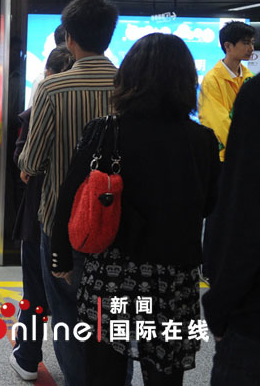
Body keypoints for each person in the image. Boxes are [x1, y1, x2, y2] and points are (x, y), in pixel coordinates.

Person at [51, 33, 220, 385]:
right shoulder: (202, 140)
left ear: (127, 79)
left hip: (112, 273)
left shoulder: (104, 131)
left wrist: (61, 258)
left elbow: (69, 197)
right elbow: (209, 205)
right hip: (173, 279)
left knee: (104, 371)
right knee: (165, 374)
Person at [18, 0, 119, 386]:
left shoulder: (54, 89)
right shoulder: (131, 86)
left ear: (69, 39)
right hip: (117, 221)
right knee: (112, 315)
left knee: (67, 314)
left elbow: (31, 162)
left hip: (62, 223)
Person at [9, 46, 74, 381]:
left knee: (35, 290)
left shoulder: (39, 108)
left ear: (48, 75)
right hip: (95, 219)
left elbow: (26, 166)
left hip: (44, 214)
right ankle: (88, 365)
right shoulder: (115, 97)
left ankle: (29, 356)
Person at [203, 75, 260, 385]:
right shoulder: (215, 79)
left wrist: (219, 306)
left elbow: (242, 215)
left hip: (252, 321)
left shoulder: (254, 91)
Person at [198, 21, 255, 161]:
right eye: (246, 43)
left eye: (252, 43)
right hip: (223, 158)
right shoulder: (212, 80)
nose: (251, 48)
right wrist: (247, 147)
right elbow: (218, 122)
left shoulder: (250, 78)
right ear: (228, 46)